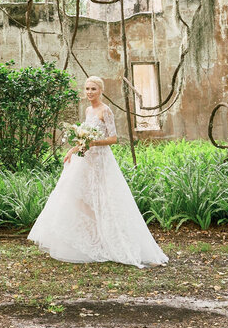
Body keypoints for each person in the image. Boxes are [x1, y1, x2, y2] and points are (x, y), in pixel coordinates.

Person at [27, 76, 167, 268]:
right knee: (75, 195)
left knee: (102, 198)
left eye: (93, 89)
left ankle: (111, 236)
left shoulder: (105, 111)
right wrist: (72, 150)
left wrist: (93, 142)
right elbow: (83, 137)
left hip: (101, 160)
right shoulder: (88, 110)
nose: (90, 92)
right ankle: (93, 235)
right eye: (87, 89)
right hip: (86, 159)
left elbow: (113, 138)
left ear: (100, 90)